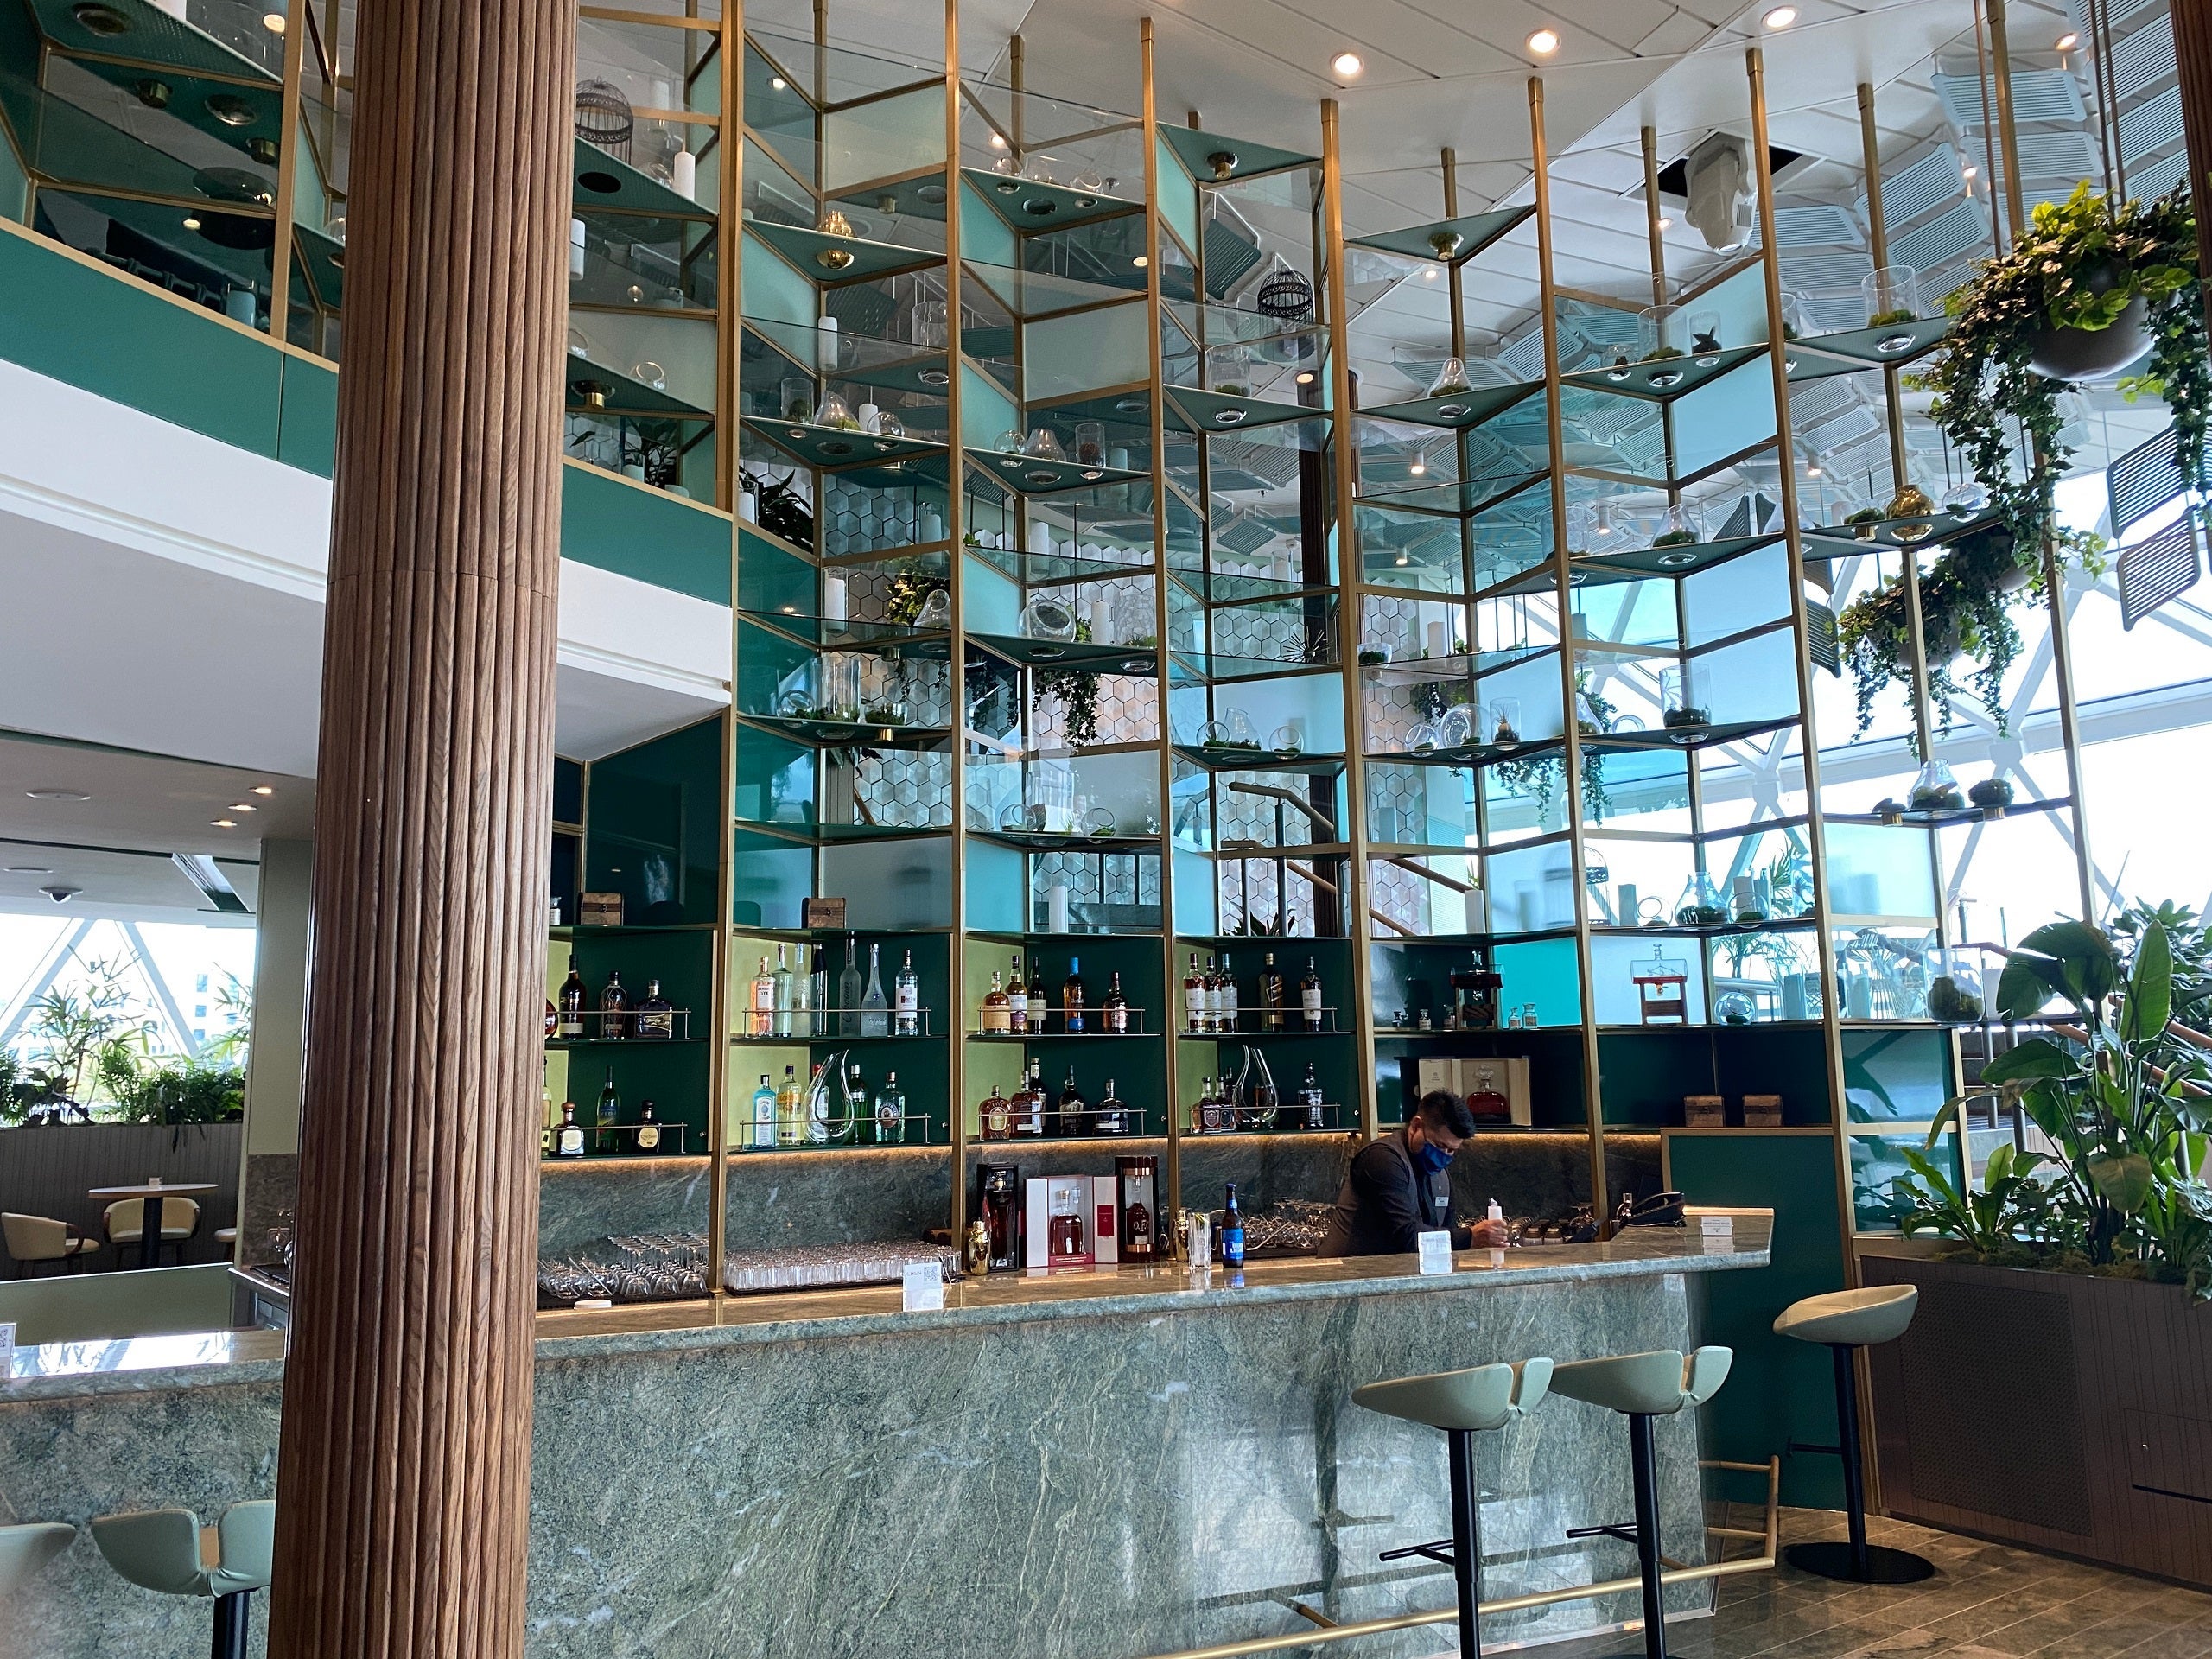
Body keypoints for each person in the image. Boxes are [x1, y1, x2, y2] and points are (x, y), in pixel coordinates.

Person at [1319, 1090, 1512, 1257]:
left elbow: (1445, 1234)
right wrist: (1471, 1236)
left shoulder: (1441, 1177)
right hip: (1347, 1278)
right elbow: (1406, 1236)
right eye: (1439, 1145)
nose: (1444, 1156)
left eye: (1452, 1151)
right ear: (1416, 1126)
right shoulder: (1382, 1158)